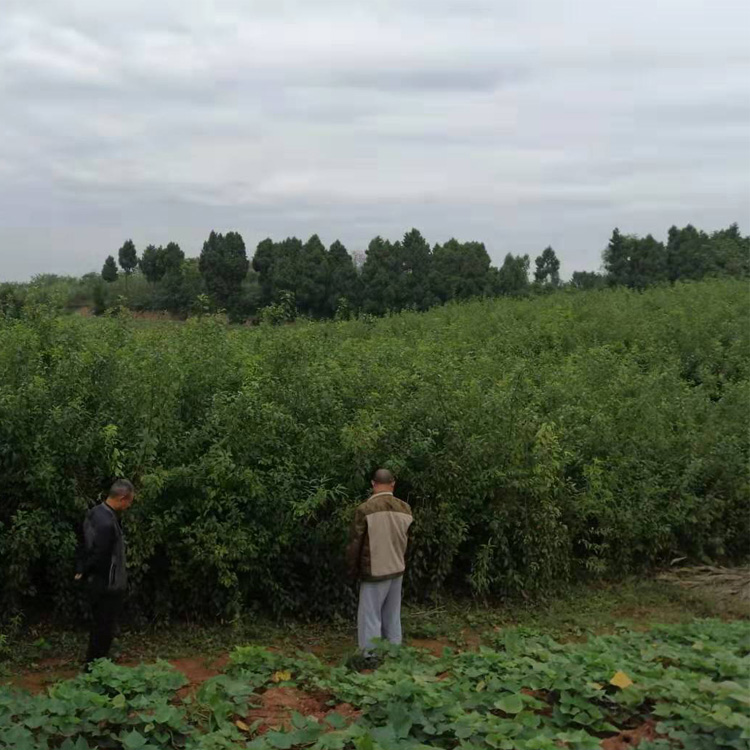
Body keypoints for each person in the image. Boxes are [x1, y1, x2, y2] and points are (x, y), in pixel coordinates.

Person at [346, 469, 413, 655]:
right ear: (393, 484)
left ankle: (370, 657)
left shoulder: (365, 509)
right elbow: (409, 541)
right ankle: (394, 652)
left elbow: (355, 544)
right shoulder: (405, 509)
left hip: (375, 570)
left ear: (373, 484)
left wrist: (352, 570)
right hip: (397, 569)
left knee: (370, 616)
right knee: (392, 615)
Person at [75, 478, 134, 667]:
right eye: (130, 501)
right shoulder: (108, 523)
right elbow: (99, 555)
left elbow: (83, 544)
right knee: (104, 629)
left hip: (94, 581)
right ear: (122, 498)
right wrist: (87, 571)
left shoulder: (95, 512)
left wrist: (81, 569)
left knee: (98, 626)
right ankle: (95, 668)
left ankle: (96, 663)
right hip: (106, 584)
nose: (129, 505)